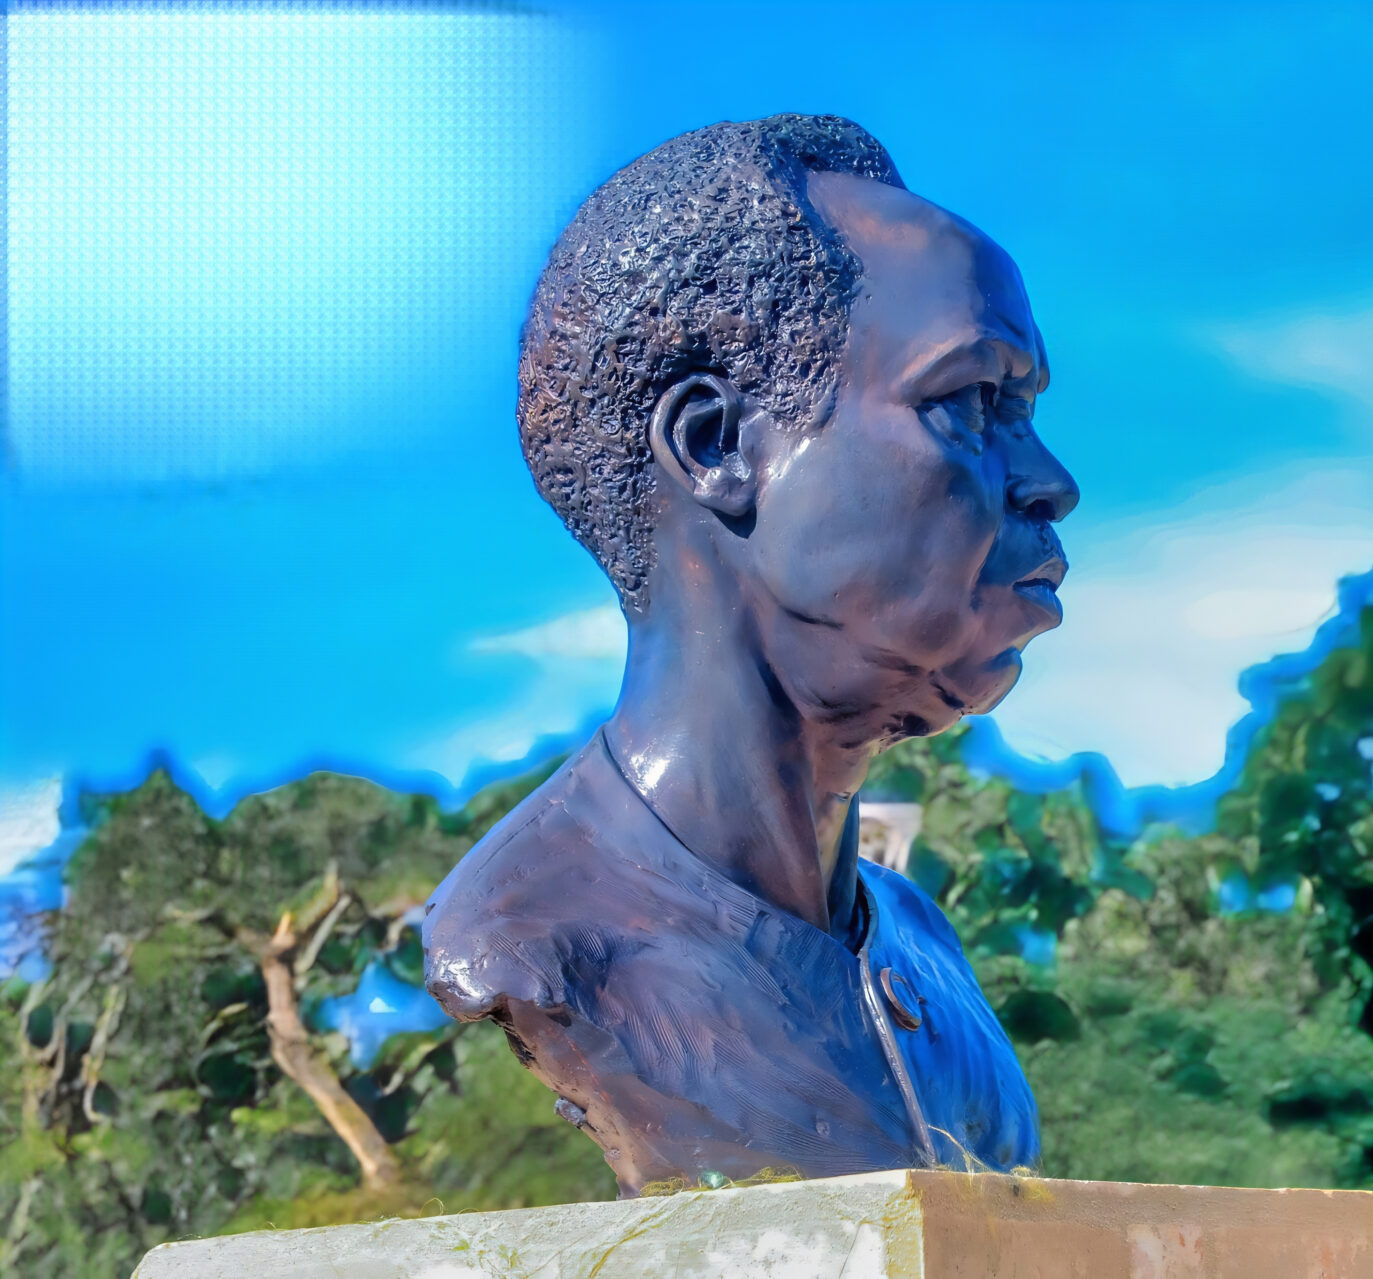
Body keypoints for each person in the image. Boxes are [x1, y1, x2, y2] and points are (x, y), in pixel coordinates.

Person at [423, 115, 1080, 1195]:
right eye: (971, 402)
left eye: (1026, 410)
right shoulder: (540, 944)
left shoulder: (922, 945)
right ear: (716, 447)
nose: (1051, 479)